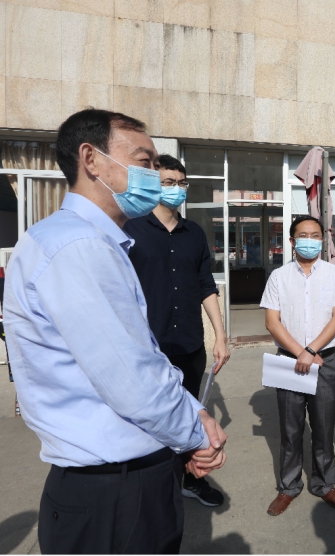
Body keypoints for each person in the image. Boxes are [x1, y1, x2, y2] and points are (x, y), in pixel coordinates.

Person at [2, 108, 227, 554]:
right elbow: (133, 379)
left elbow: (141, 353)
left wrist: (194, 414)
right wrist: (197, 433)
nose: (154, 175)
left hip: (118, 483)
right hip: (114, 495)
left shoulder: (83, 239)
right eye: (144, 162)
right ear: (91, 159)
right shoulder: (79, 245)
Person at [124, 154, 231, 507]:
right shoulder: (131, 229)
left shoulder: (194, 233)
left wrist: (221, 336)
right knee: (148, 422)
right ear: (152, 186)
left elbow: (206, 286)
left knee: (188, 417)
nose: (176, 189)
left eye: (181, 183)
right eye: (168, 183)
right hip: (147, 349)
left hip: (188, 344)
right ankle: (153, 489)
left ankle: (191, 480)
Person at [260, 215, 335, 516]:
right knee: (291, 429)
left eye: (315, 235)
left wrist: (311, 351)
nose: (309, 240)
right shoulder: (278, 277)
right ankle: (289, 486)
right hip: (289, 361)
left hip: (325, 360)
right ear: (291, 241)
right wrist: (301, 353)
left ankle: (324, 484)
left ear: (322, 240)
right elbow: (272, 322)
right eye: (303, 235)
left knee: (324, 427)